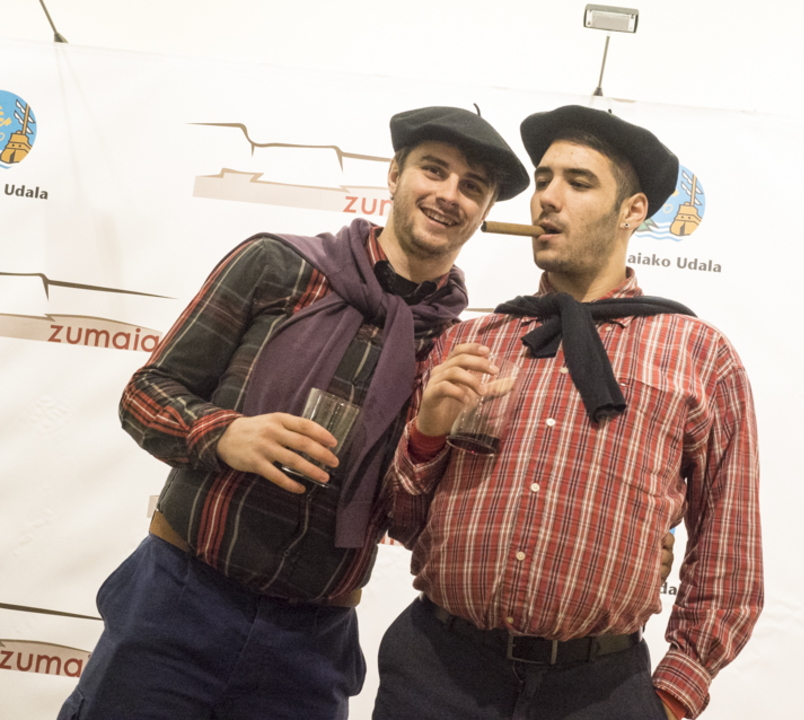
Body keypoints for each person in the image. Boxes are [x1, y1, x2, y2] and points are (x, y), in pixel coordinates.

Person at [56, 106, 529, 720]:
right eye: (433, 171)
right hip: (177, 601)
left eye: (472, 187)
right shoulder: (278, 265)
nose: (448, 194)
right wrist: (225, 434)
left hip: (312, 644)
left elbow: (412, 519)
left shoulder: (459, 350)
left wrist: (428, 436)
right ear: (394, 174)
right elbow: (145, 393)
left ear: (484, 211)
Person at [374, 105, 763, 720]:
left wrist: (674, 695)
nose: (547, 199)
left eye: (578, 183)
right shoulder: (469, 341)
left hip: (599, 692)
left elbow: (729, 550)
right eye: (543, 180)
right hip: (436, 674)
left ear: (632, 211)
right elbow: (401, 520)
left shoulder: (700, 355)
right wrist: (425, 436)